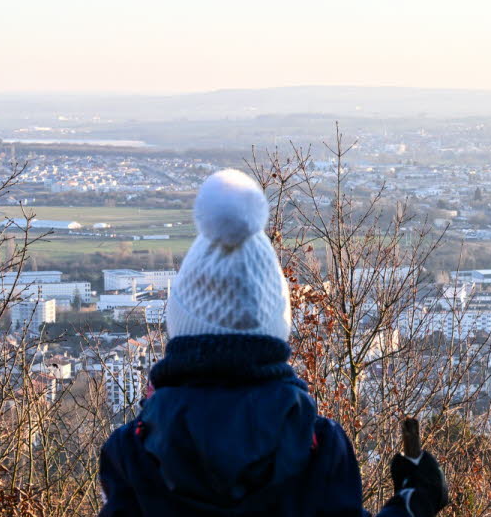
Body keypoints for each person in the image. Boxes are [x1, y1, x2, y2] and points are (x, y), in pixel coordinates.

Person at [99, 169, 448, 517]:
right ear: (277, 320)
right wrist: (414, 503)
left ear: (179, 321)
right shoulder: (317, 445)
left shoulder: (132, 452)